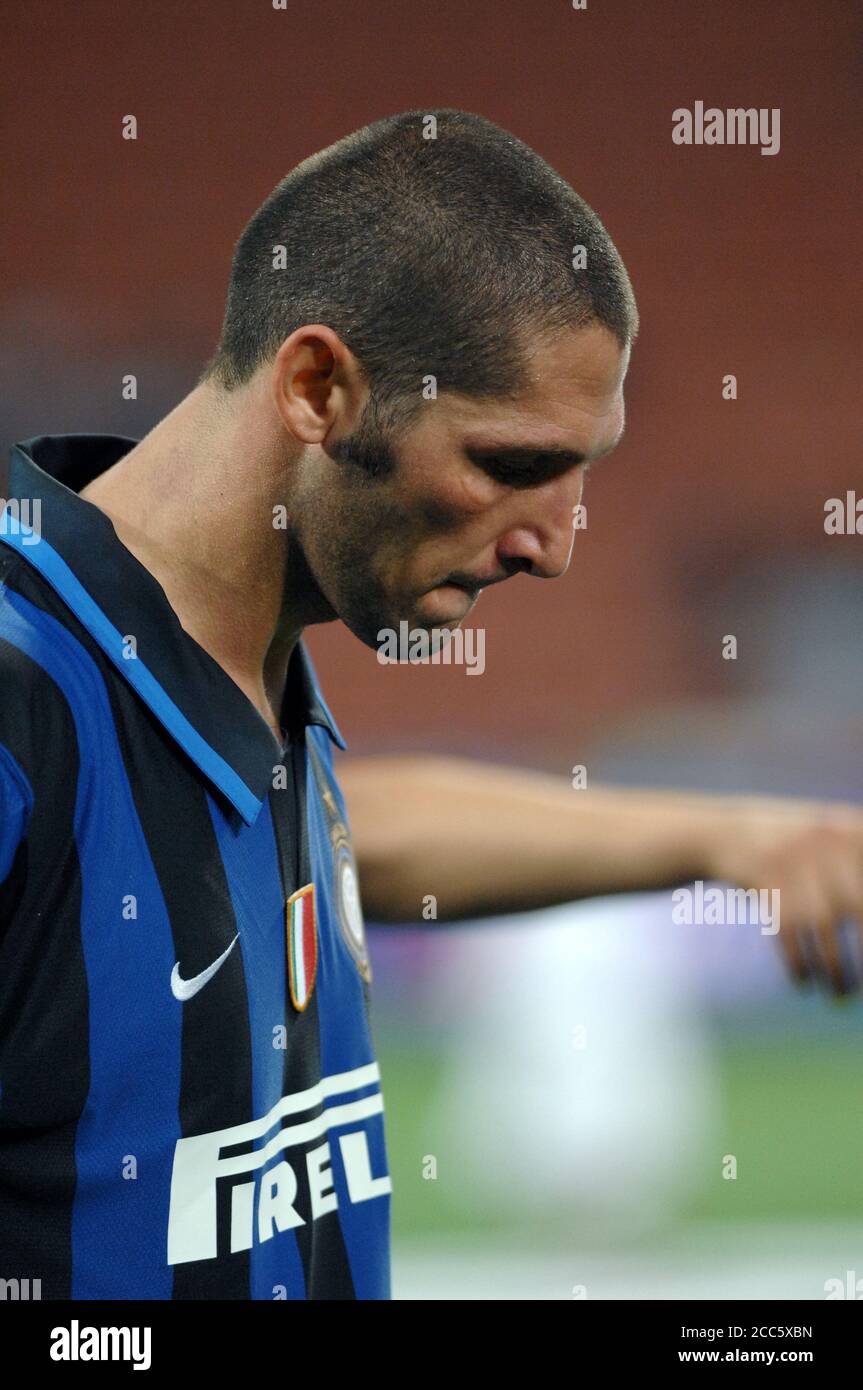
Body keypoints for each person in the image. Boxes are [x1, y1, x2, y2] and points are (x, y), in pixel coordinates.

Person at [1, 109, 859, 1301]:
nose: (556, 548)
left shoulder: (226, 656)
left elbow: (335, 838)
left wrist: (733, 835)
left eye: (581, 474)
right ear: (317, 387)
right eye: (510, 466)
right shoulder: (26, 693)